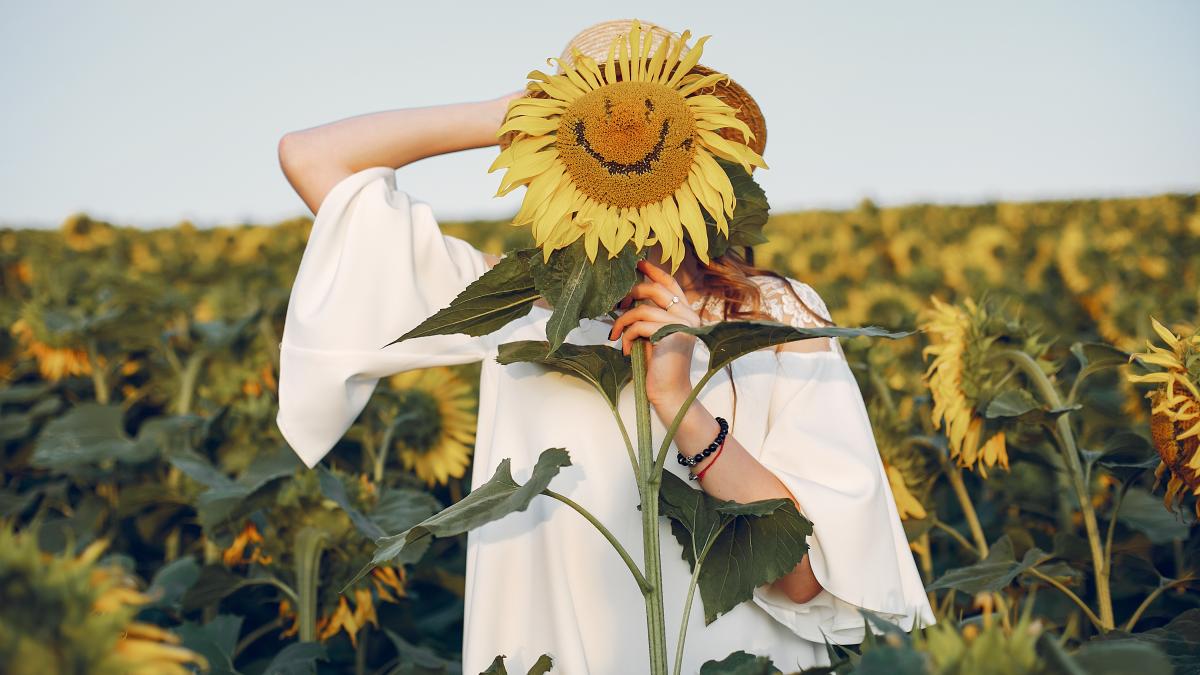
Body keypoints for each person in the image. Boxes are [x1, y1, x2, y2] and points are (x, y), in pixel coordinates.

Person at [275, 18, 934, 674]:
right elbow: (311, 157)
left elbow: (806, 579)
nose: (625, 144)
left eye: (655, 124)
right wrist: (529, 115)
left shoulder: (777, 315)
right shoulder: (513, 304)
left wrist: (681, 404)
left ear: (706, 156)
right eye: (600, 130)